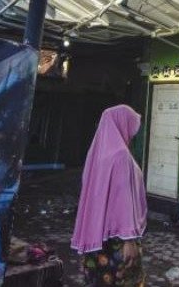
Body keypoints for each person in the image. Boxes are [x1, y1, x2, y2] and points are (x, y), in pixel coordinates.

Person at [72, 105, 147, 286]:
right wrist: (129, 240)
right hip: (117, 241)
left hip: (96, 238)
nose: (133, 133)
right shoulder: (121, 156)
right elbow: (124, 201)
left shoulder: (96, 155)